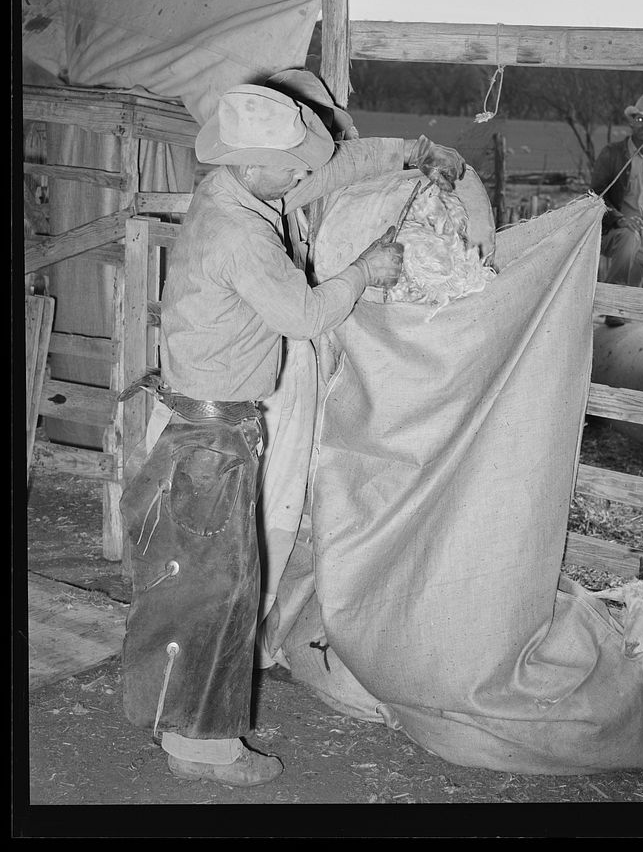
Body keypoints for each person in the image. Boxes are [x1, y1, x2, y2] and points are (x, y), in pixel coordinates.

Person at [118, 82, 467, 787]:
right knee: (222, 595)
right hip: (211, 440)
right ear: (253, 162)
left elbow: (330, 169)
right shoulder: (240, 232)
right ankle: (207, 751)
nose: (303, 178)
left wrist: (411, 152)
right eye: (291, 167)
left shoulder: (236, 190)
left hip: (203, 426)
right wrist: (365, 270)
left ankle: (177, 732)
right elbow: (305, 315)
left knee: (195, 588)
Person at [590, 93, 643, 323]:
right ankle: (612, 305)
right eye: (641, 120)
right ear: (632, 122)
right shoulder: (613, 154)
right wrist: (619, 219)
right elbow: (595, 196)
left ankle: (625, 311)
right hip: (612, 228)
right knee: (629, 238)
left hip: (642, 229)